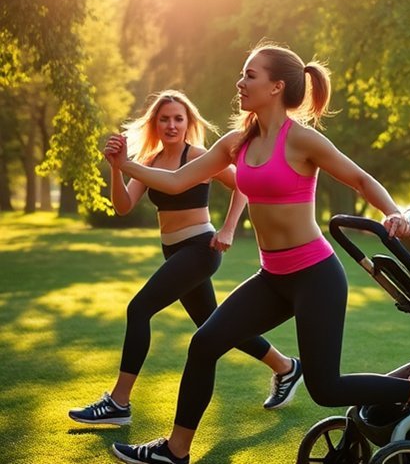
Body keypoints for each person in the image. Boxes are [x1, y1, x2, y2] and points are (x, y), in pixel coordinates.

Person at [103, 43, 410, 464]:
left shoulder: (302, 140)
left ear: (277, 87)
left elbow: (359, 179)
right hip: (273, 277)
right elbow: (176, 181)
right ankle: (176, 451)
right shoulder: (236, 143)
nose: (240, 83)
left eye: (250, 75)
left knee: (325, 388)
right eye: (243, 75)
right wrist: (124, 164)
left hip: (316, 275)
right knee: (205, 343)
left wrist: (394, 213)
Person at [68, 90, 300, 428]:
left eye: (178, 118)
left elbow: (244, 185)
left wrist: (229, 229)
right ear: (155, 124)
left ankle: (119, 402)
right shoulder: (148, 161)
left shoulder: (200, 156)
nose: (171, 125)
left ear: (188, 123)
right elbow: (123, 207)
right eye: (164, 119)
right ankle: (285, 367)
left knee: (139, 309)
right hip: (174, 251)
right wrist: (116, 170)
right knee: (214, 326)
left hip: (200, 249)